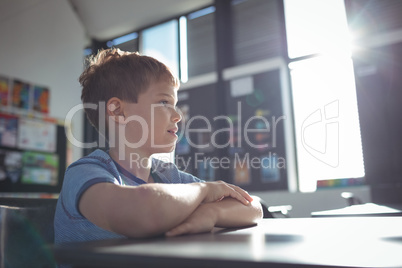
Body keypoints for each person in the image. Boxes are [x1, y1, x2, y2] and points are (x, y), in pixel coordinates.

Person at [54, 48, 263, 244]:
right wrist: (204, 189)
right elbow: (144, 212)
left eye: (175, 105)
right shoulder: (84, 173)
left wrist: (211, 212)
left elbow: (253, 206)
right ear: (118, 111)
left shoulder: (168, 176)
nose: (178, 115)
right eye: (164, 102)